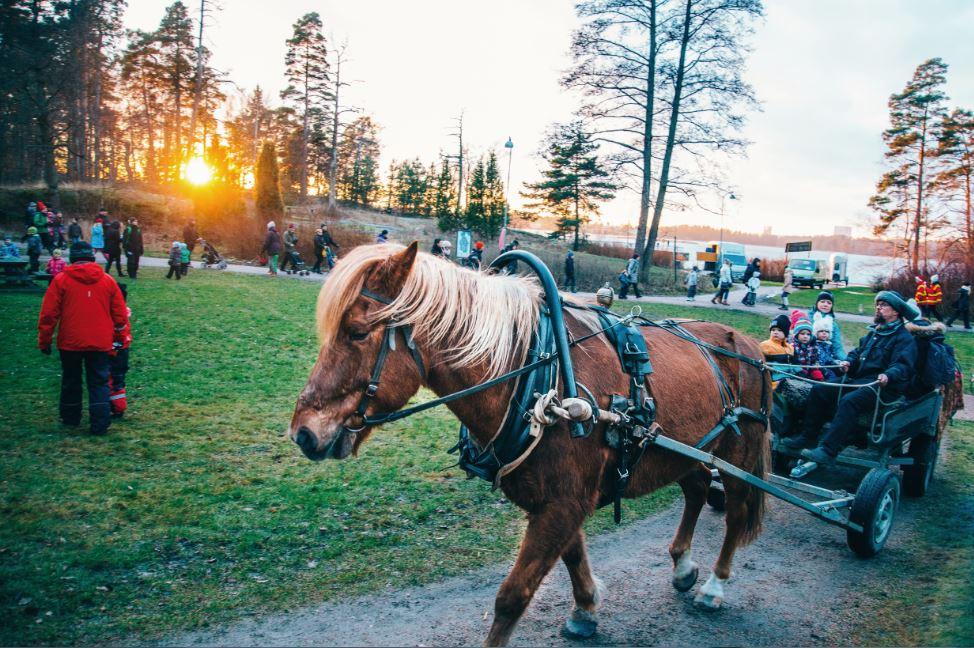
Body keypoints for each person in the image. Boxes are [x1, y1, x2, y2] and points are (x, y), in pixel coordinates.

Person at [782, 291, 919, 463]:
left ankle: (828, 450)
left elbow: (903, 365)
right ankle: (808, 436)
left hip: (883, 387)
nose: (878, 308)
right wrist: (848, 362)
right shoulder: (875, 333)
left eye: (883, 305)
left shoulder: (904, 338)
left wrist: (888, 375)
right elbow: (857, 353)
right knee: (820, 390)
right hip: (859, 380)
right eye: (878, 304)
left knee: (850, 401)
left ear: (896, 312)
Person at [37, 241, 129, 436]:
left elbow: (48, 315)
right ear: (91, 257)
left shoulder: (61, 280)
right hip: (100, 341)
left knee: (71, 379)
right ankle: (100, 422)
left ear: (73, 258)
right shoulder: (107, 281)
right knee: (99, 381)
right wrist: (120, 337)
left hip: (70, 341)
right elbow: (120, 315)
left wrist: (44, 341)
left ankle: (70, 417)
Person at [109, 284, 133, 418]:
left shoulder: (116, 314)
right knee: (118, 378)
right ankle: (118, 406)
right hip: (123, 349)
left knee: (112, 378)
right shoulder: (124, 312)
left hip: (114, 349)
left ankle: (117, 406)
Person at [808, 291, 846, 361]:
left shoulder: (833, 324)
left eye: (829, 303)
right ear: (817, 303)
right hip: (807, 356)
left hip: (826, 359)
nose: (825, 305)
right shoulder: (808, 319)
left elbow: (837, 346)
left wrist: (845, 360)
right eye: (822, 301)